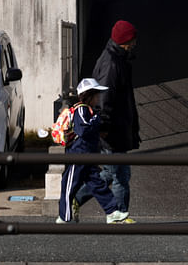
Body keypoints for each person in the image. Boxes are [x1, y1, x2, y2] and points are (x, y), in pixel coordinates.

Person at [56, 77, 132, 225]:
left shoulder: (88, 110)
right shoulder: (81, 109)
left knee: (97, 184)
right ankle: (64, 218)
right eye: (96, 95)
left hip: (86, 155)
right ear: (88, 95)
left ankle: (112, 212)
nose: (98, 98)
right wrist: (97, 119)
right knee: (69, 186)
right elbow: (83, 130)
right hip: (78, 155)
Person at [87, 19, 140, 217]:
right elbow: (104, 98)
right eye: (132, 40)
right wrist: (105, 124)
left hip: (114, 127)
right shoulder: (112, 63)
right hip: (112, 129)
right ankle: (119, 214)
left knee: (111, 173)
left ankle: (74, 199)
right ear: (124, 41)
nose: (134, 43)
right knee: (120, 176)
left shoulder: (117, 58)